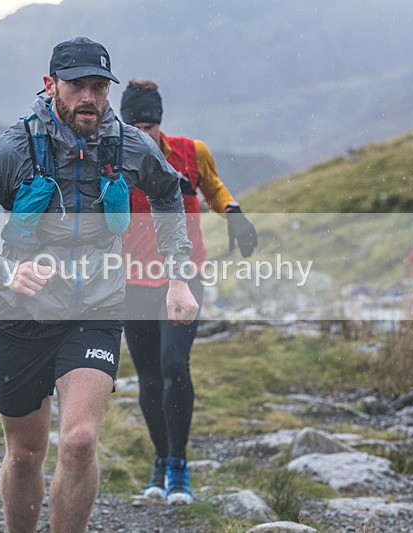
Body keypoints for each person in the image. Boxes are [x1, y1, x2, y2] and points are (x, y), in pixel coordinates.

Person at [0, 38, 199, 532]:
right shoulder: (12, 150)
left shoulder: (128, 145)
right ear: (50, 84)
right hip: (24, 311)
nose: (89, 98)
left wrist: (178, 277)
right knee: (25, 455)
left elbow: (168, 194)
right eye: (77, 85)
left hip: (97, 308)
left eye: (99, 87)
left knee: (79, 443)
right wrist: (3, 271)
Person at [118, 80, 257, 504]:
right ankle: (161, 459)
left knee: (175, 364)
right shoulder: (112, 157)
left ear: (160, 122)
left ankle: (179, 465)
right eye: (135, 127)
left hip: (183, 274)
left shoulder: (191, 153)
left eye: (150, 127)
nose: (144, 135)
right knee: (149, 376)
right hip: (132, 280)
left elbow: (212, 187)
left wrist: (233, 212)